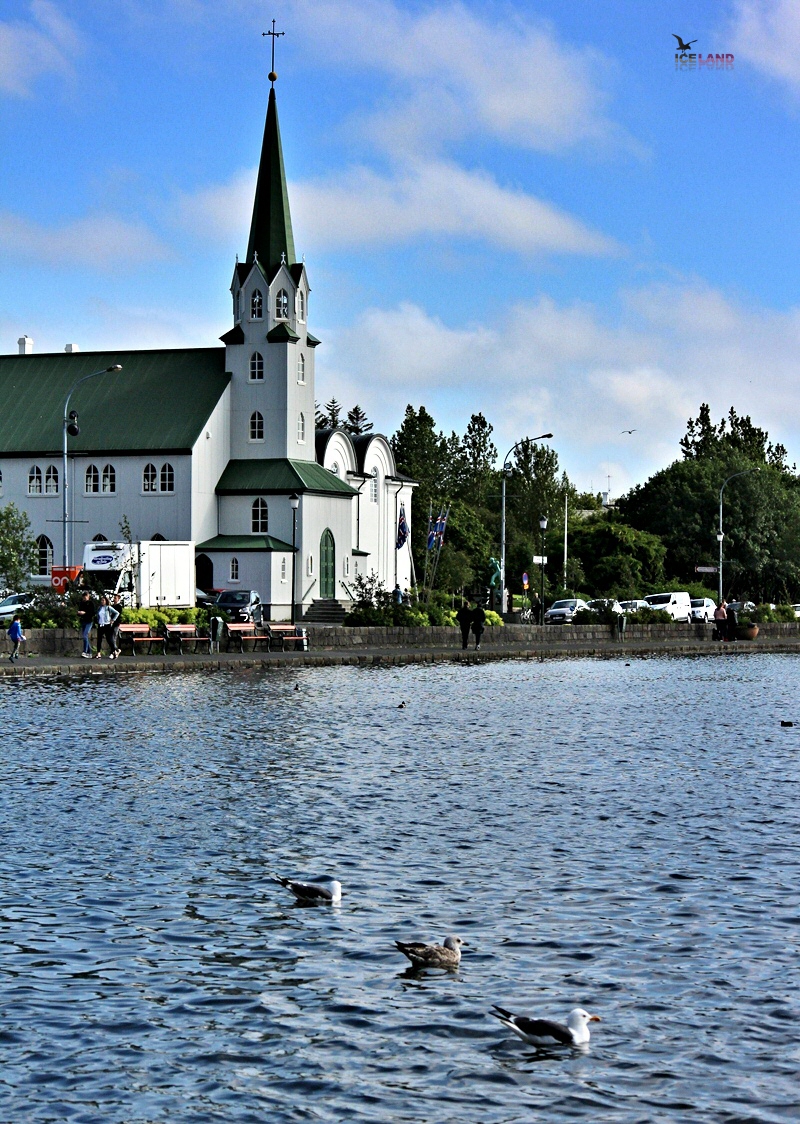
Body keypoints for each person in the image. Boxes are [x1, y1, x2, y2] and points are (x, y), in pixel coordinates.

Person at [77, 591, 96, 658]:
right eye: (83, 597)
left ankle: (85, 651)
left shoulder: (91, 604)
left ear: (88, 597)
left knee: (85, 635)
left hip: (89, 621)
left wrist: (84, 613)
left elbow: (92, 613)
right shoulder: (82, 603)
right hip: (83, 621)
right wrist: (79, 613)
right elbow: (79, 610)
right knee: (85, 637)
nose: (84, 599)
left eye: (85, 597)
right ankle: (89, 652)